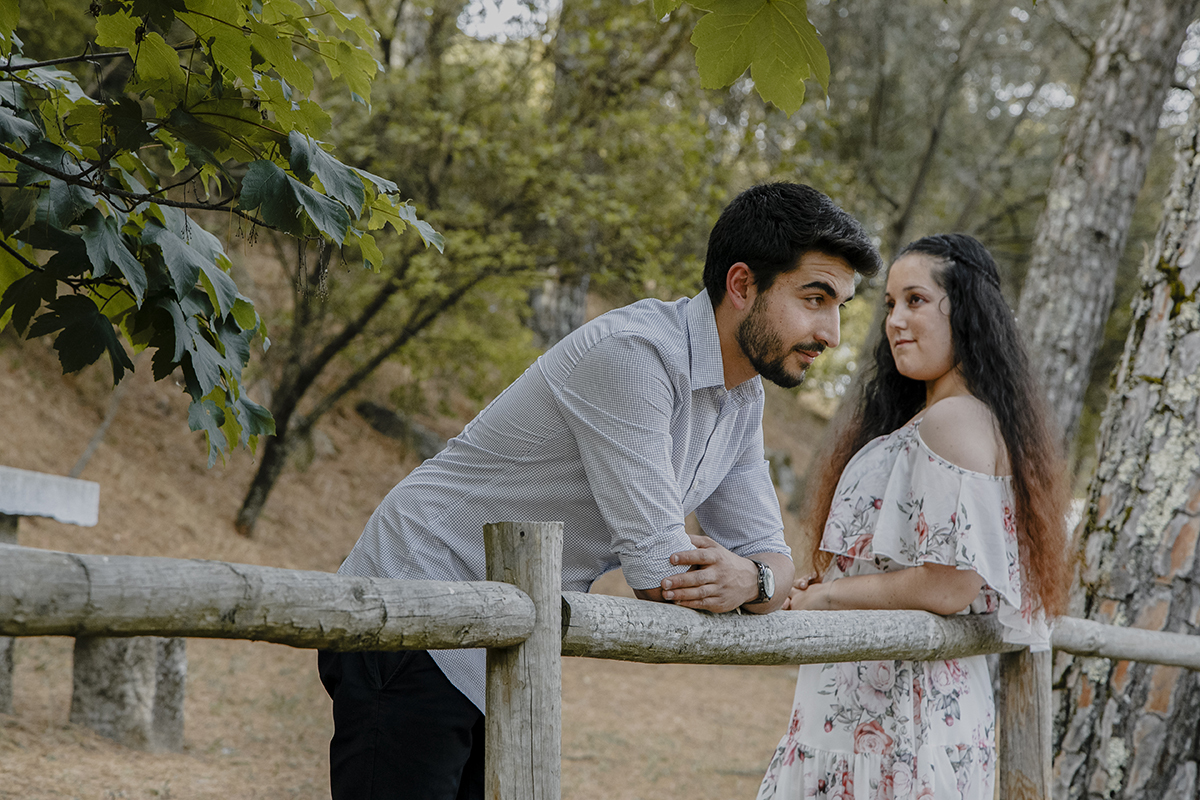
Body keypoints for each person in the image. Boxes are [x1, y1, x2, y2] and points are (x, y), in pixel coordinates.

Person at [318, 182, 881, 800]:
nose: (829, 331)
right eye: (815, 298)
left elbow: (770, 564)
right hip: (418, 603)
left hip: (507, 640)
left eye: (839, 307)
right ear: (743, 285)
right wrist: (749, 576)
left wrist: (755, 580)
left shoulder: (742, 394)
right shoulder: (634, 355)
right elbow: (661, 574)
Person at [757, 234, 1071, 800]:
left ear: (968, 310)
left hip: (896, 725)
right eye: (890, 305)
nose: (897, 320)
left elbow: (951, 582)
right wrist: (835, 585)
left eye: (917, 301)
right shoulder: (965, 419)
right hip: (898, 718)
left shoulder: (953, 422)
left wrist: (828, 598)